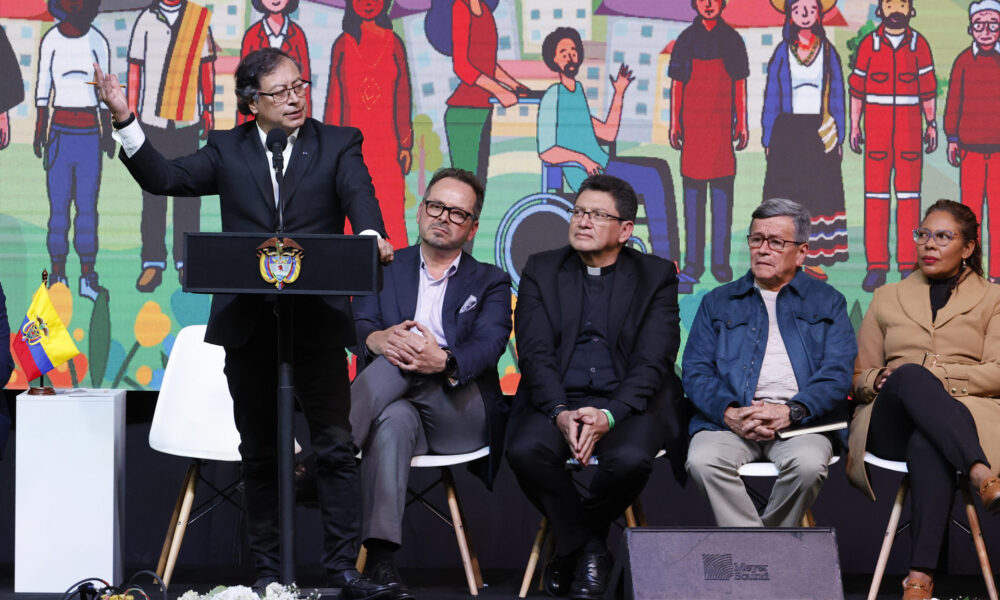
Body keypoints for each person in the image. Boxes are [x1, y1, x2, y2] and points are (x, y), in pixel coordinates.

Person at [93, 48, 396, 599]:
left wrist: (371, 235)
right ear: (251, 102)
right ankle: (267, 575)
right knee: (260, 452)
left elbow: (361, 196)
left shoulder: (338, 143)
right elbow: (163, 177)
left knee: (333, 445)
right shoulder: (228, 149)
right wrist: (123, 117)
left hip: (317, 323)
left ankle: (343, 572)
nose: (296, 97)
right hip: (250, 325)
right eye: (280, 92)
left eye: (300, 85)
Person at [506, 174, 687, 600]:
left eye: (597, 214)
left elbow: (654, 360)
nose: (583, 221)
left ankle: (571, 547)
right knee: (525, 451)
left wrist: (610, 414)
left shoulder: (656, 275)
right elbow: (533, 354)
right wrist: (559, 411)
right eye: (579, 211)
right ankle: (588, 548)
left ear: (625, 230)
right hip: (558, 400)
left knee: (628, 460)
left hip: (628, 404)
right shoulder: (542, 269)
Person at [350, 168, 512, 598]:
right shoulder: (384, 266)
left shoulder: (491, 280)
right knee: (395, 420)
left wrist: (441, 360)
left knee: (403, 357)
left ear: (473, 227)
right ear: (420, 211)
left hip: (458, 410)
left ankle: (330, 453)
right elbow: (359, 324)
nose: (443, 217)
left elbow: (491, 343)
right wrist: (376, 338)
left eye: (458, 213)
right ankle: (383, 564)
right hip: (397, 406)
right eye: (436, 206)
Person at [848, 199, 1000, 600]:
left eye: (943, 237)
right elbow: (860, 377)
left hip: (964, 420)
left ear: (968, 247)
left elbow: (999, 372)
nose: (929, 244)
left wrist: (942, 378)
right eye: (923, 234)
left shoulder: (993, 299)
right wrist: (882, 379)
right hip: (889, 421)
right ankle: (982, 474)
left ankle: (919, 580)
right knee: (911, 376)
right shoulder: (886, 297)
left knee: (927, 441)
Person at [683, 198, 856, 527]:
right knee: (703, 460)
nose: (763, 249)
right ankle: (764, 555)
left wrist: (790, 411)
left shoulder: (829, 301)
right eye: (756, 239)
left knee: (807, 465)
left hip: (801, 424)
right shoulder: (718, 302)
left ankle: (760, 553)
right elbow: (696, 372)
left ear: (802, 252)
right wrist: (730, 411)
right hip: (730, 422)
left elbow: (836, 375)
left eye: (776, 242)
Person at [537, 27, 687, 286]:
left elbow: (607, 132)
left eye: (573, 50)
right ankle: (665, 261)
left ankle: (668, 257)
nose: (570, 56)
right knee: (651, 178)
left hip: (603, 166)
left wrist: (619, 92)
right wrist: (583, 160)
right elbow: (547, 150)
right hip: (587, 175)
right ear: (553, 60)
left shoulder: (578, 91)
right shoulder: (553, 95)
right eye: (563, 52)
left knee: (660, 167)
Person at [126, 0, 216, 292]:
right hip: (151, 123)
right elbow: (135, 70)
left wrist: (208, 109)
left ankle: (185, 263)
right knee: (152, 196)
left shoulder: (198, 20)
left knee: (189, 197)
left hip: (186, 122)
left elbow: (207, 70)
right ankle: (152, 262)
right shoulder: (145, 19)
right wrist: (130, 114)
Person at [848, 0, 938, 292]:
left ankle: (908, 265)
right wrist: (855, 126)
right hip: (876, 137)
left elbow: (928, 90)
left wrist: (931, 124)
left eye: (902, 4)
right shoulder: (868, 45)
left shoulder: (920, 45)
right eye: (890, 5)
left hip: (910, 138)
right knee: (875, 200)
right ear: (881, 10)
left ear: (910, 10)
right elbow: (857, 90)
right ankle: (876, 267)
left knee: (910, 200)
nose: (895, 10)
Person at [761, 0, 847, 281]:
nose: (805, 14)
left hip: (818, 131)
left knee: (816, 196)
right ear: (790, 15)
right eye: (799, 9)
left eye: (811, 8)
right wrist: (768, 135)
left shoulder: (828, 53)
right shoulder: (782, 53)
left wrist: (839, 135)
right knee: (788, 196)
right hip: (787, 131)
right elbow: (771, 96)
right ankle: (782, 258)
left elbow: (837, 96)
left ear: (819, 14)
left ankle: (812, 260)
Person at [34, 0, 113, 301]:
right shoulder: (51, 40)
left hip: (90, 133)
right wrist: (41, 131)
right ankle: (57, 275)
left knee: (87, 209)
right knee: (58, 210)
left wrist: (107, 133)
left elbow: (104, 92)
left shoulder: (98, 40)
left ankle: (87, 277)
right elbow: (43, 89)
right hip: (60, 132)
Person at [669, 0, 750, 287]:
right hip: (693, 132)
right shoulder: (686, 40)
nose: (708, 4)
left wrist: (742, 122)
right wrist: (675, 123)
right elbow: (677, 84)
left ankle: (720, 264)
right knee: (693, 203)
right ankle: (693, 263)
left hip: (720, 134)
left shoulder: (732, 40)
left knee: (722, 202)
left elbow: (740, 83)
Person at [326, 0, 413, 246]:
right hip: (351, 150)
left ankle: (395, 276)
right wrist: (331, 149)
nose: (367, 3)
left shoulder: (395, 44)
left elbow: (403, 97)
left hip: (388, 149)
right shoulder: (342, 44)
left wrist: (406, 145)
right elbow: (334, 101)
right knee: (348, 210)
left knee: (391, 212)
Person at [944, 0, 1000, 284]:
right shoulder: (964, 60)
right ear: (971, 28)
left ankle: (998, 274)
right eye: (980, 24)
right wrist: (952, 138)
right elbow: (954, 101)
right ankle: (971, 272)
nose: (986, 30)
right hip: (971, 151)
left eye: (993, 25)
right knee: (971, 216)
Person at [239, 0, 311, 124]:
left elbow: (304, 82)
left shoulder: (297, 34)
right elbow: (245, 87)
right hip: (262, 119)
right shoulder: (252, 35)